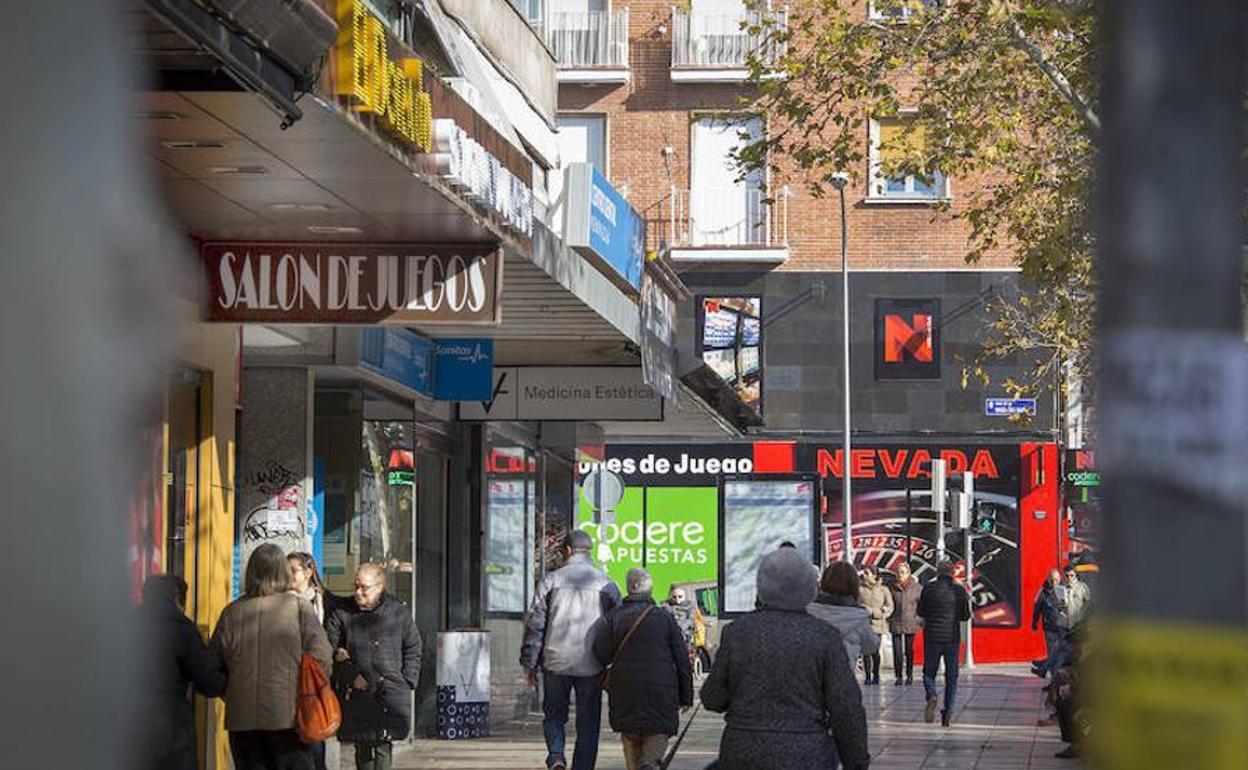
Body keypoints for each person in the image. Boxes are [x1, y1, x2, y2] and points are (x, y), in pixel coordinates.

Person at [702, 548, 870, 770]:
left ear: (761, 586)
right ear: (810, 587)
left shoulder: (737, 633)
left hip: (743, 750)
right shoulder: (824, 636)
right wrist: (856, 761)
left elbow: (712, 698)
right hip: (807, 752)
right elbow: (846, 708)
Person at [212, 543, 333, 770]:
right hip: (289, 718)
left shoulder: (231, 613)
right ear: (282, 571)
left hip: (242, 720)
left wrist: (233, 692)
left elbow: (212, 666)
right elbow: (323, 658)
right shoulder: (298, 607)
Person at [521, 529, 623, 770]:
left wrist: (530, 663)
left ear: (567, 551)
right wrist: (611, 665)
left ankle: (556, 756)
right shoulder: (606, 584)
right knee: (588, 723)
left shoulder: (551, 580)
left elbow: (536, 624)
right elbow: (617, 627)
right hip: (592, 665)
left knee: (554, 716)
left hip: (555, 661)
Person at [592, 568, 694, 770]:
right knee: (657, 733)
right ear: (651, 589)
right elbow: (682, 659)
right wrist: (686, 696)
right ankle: (649, 764)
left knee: (630, 735)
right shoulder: (665, 618)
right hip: (661, 692)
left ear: (628, 588)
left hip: (624, 690)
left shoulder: (613, 618)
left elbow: (599, 652)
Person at [326, 562, 423, 770]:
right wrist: (350, 675)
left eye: (364, 587)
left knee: (383, 743)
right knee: (362, 744)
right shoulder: (342, 614)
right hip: (358, 690)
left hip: (390, 689)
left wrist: (407, 680)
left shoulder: (398, 611)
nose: (358, 592)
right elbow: (330, 651)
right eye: (356, 586)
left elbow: (413, 647)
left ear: (380, 587)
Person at [137, 574, 227, 770]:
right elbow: (208, 682)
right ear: (177, 598)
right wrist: (225, 679)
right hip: (171, 732)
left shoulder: (124, 625)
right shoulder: (182, 629)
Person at [916, 560, 971, 727]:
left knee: (928, 673)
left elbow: (921, 611)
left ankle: (932, 694)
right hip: (951, 638)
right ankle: (947, 713)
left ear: (937, 573)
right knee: (951, 677)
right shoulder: (959, 590)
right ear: (953, 573)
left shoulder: (929, 588)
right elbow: (965, 616)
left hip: (932, 637)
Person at [808, 561, 879, 673]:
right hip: (843, 675)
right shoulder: (859, 616)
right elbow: (871, 646)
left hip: (813, 675)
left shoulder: (809, 610)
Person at [857, 566, 894, 686]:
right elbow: (854, 604)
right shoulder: (860, 589)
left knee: (875, 651)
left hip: (878, 624)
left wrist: (876, 612)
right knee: (865, 651)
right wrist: (862, 610)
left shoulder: (883, 590)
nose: (864, 575)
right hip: (864, 623)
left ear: (874, 575)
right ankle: (867, 676)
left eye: (867, 573)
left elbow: (889, 607)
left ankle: (876, 674)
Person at [888, 562, 922, 686]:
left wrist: (919, 619)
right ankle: (898, 676)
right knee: (897, 651)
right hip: (895, 622)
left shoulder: (917, 588)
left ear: (908, 573)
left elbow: (922, 605)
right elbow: (888, 603)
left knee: (909, 651)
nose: (900, 575)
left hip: (911, 622)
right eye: (898, 572)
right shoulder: (891, 587)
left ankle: (909, 674)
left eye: (902, 572)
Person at [288, 551, 343, 626]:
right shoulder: (281, 600)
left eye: (293, 571)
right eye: (285, 571)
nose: (288, 575)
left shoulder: (325, 601)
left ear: (308, 573)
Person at [1032, 569, 1066, 678]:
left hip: (1062, 627)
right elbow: (1037, 608)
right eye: (1052, 580)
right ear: (1048, 579)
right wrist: (1034, 622)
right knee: (1053, 653)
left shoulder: (1063, 590)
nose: (1054, 582)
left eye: (1056, 580)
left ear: (1060, 579)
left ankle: (1043, 668)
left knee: (1060, 654)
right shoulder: (1043, 592)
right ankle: (1051, 678)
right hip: (1049, 628)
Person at [662, 585, 705, 665]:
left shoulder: (690, 607)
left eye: (680, 597)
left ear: (684, 596)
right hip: (670, 635)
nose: (677, 600)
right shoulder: (666, 607)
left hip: (685, 636)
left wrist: (681, 627)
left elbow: (691, 620)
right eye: (674, 597)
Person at [1061, 564, 1091, 630]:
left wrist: (1083, 615)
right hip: (1065, 626)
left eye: (1071, 575)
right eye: (1067, 576)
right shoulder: (1061, 589)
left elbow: (1089, 603)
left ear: (1075, 575)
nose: (1069, 578)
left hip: (1079, 624)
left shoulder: (1082, 587)